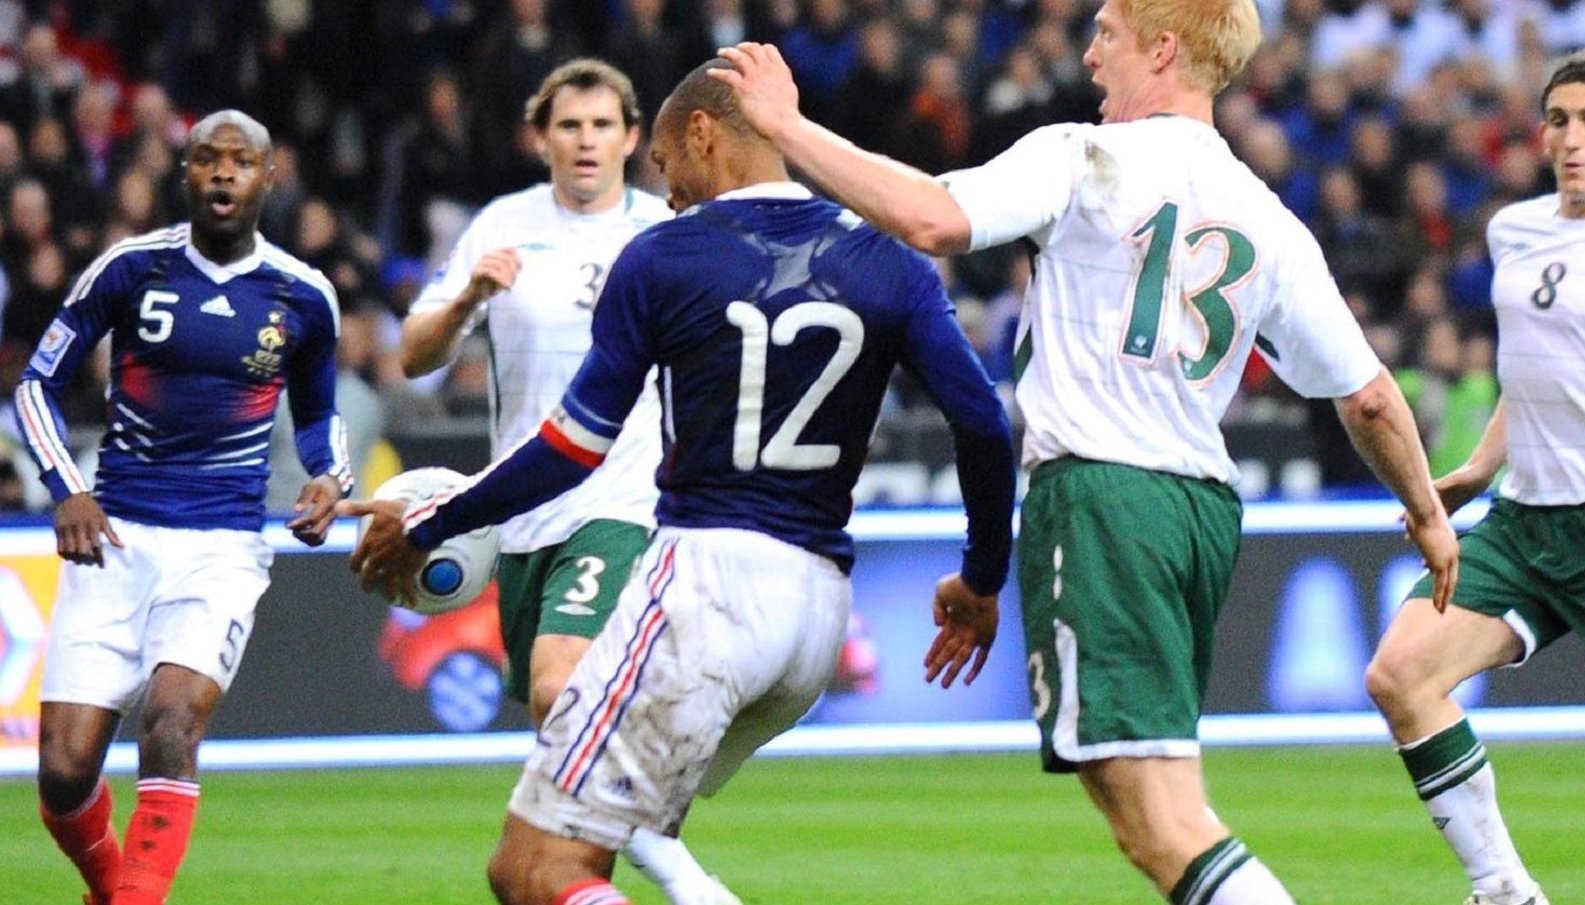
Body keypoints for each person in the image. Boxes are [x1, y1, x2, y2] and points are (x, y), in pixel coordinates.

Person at [707, 1, 1460, 901]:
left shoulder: (1080, 157)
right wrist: (1424, 511)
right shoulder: (1270, 218)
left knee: (1155, 821)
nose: (1092, 53)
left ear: (1165, 47)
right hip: (1199, 518)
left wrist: (786, 126)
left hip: (1105, 498)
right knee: (1168, 801)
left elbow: (932, 219)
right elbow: (1371, 397)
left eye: (1109, 33)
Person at [342, 58, 1018, 905]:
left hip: (705, 587)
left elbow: (571, 446)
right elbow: (985, 424)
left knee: (531, 870)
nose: (665, 193)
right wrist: (984, 577)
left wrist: (436, 521)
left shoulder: (661, 254)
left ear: (702, 134)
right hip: (813, 617)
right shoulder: (886, 255)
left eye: (666, 166)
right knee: (623, 837)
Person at [1364, 50, 1585, 905]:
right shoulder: (1513, 230)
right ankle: (1505, 890)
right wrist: (1476, 468)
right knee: (1400, 675)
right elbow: (1536, 375)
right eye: (1559, 119)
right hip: (1523, 523)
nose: (1572, 138)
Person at [396, 58, 738, 905]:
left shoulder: (664, 228)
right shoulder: (501, 227)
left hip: (627, 505)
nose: (585, 142)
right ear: (540, 137)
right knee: (565, 745)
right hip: (522, 516)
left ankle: (674, 866)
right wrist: (468, 294)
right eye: (568, 126)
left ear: (632, 138)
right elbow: (413, 359)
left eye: (601, 126)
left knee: (562, 684)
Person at [20, 110, 351, 905]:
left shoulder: (304, 296)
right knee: (64, 775)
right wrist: (67, 487)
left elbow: (316, 416)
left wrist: (328, 477)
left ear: (269, 178)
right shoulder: (129, 269)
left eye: (243, 161)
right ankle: (111, 887)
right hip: (116, 540)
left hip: (221, 548)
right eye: (208, 158)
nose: (225, 173)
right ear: (186, 174)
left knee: (170, 723)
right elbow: (37, 382)